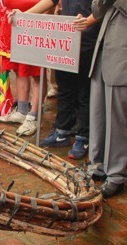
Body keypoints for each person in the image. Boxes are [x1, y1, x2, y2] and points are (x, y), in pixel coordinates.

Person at [21, 0, 100, 160]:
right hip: (65, 39)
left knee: (84, 93)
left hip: (88, 41)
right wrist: (24, 16)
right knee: (64, 89)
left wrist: (88, 21)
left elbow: (104, 7)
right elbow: (51, 1)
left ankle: (83, 137)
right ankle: (62, 132)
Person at [84, 0, 127, 198]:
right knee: (98, 111)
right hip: (103, 50)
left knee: (116, 119)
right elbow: (97, 11)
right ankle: (97, 163)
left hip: (121, 55)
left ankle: (116, 174)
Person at [0, 0, 46, 136]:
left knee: (37, 73)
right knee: (19, 69)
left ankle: (33, 116)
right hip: (15, 22)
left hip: (36, 24)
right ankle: (22, 110)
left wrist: (29, 16)